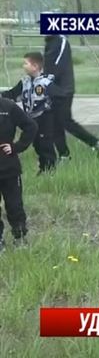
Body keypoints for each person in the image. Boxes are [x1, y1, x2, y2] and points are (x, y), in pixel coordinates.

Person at [43, 34, 99, 160]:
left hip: (63, 90)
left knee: (65, 121)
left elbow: (56, 66)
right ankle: (64, 155)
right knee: (55, 124)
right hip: (52, 89)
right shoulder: (49, 42)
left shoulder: (61, 40)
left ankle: (96, 143)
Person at [2, 51, 61, 174]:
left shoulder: (47, 83)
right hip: (31, 118)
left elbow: (58, 98)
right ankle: (43, 167)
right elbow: (13, 94)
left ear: (35, 66)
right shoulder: (25, 82)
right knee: (37, 144)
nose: (23, 66)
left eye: (25, 63)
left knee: (46, 144)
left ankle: (50, 169)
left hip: (46, 118)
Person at [0, 98, 38, 251]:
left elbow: (31, 126)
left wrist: (17, 147)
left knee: (14, 205)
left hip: (9, 168)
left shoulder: (8, 107)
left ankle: (20, 237)